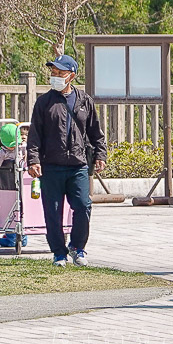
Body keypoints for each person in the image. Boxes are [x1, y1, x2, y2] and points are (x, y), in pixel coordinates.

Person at [26, 54, 107, 267]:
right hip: (51, 166)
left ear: (71, 75)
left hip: (78, 165)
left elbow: (96, 132)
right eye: (53, 72)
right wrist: (33, 160)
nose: (55, 76)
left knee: (83, 206)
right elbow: (34, 135)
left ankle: (78, 247)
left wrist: (100, 154)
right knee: (53, 211)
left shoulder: (84, 101)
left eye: (60, 73)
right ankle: (58, 253)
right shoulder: (44, 102)